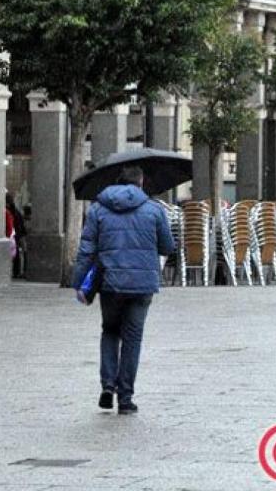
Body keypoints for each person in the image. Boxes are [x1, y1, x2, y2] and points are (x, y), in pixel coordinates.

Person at [71, 166, 175, 415]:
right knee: (133, 338)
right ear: (140, 183)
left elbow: (87, 249)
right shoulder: (154, 209)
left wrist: (79, 283)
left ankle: (108, 385)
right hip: (142, 285)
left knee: (110, 331)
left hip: (110, 283)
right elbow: (167, 246)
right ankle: (126, 398)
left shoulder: (98, 209)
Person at [6, 194, 27, 278]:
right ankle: (18, 271)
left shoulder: (9, 211)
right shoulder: (16, 211)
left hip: (13, 234)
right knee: (18, 253)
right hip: (18, 234)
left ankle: (17, 271)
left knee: (15, 254)